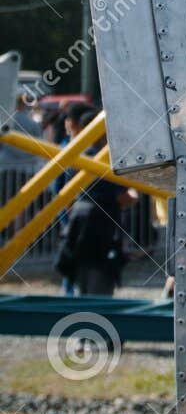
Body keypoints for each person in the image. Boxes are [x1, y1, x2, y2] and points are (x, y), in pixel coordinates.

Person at [54, 105, 125, 297]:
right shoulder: (108, 162)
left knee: (79, 282)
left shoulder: (76, 158)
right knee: (98, 287)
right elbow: (123, 196)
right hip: (102, 231)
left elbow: (65, 194)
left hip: (78, 227)